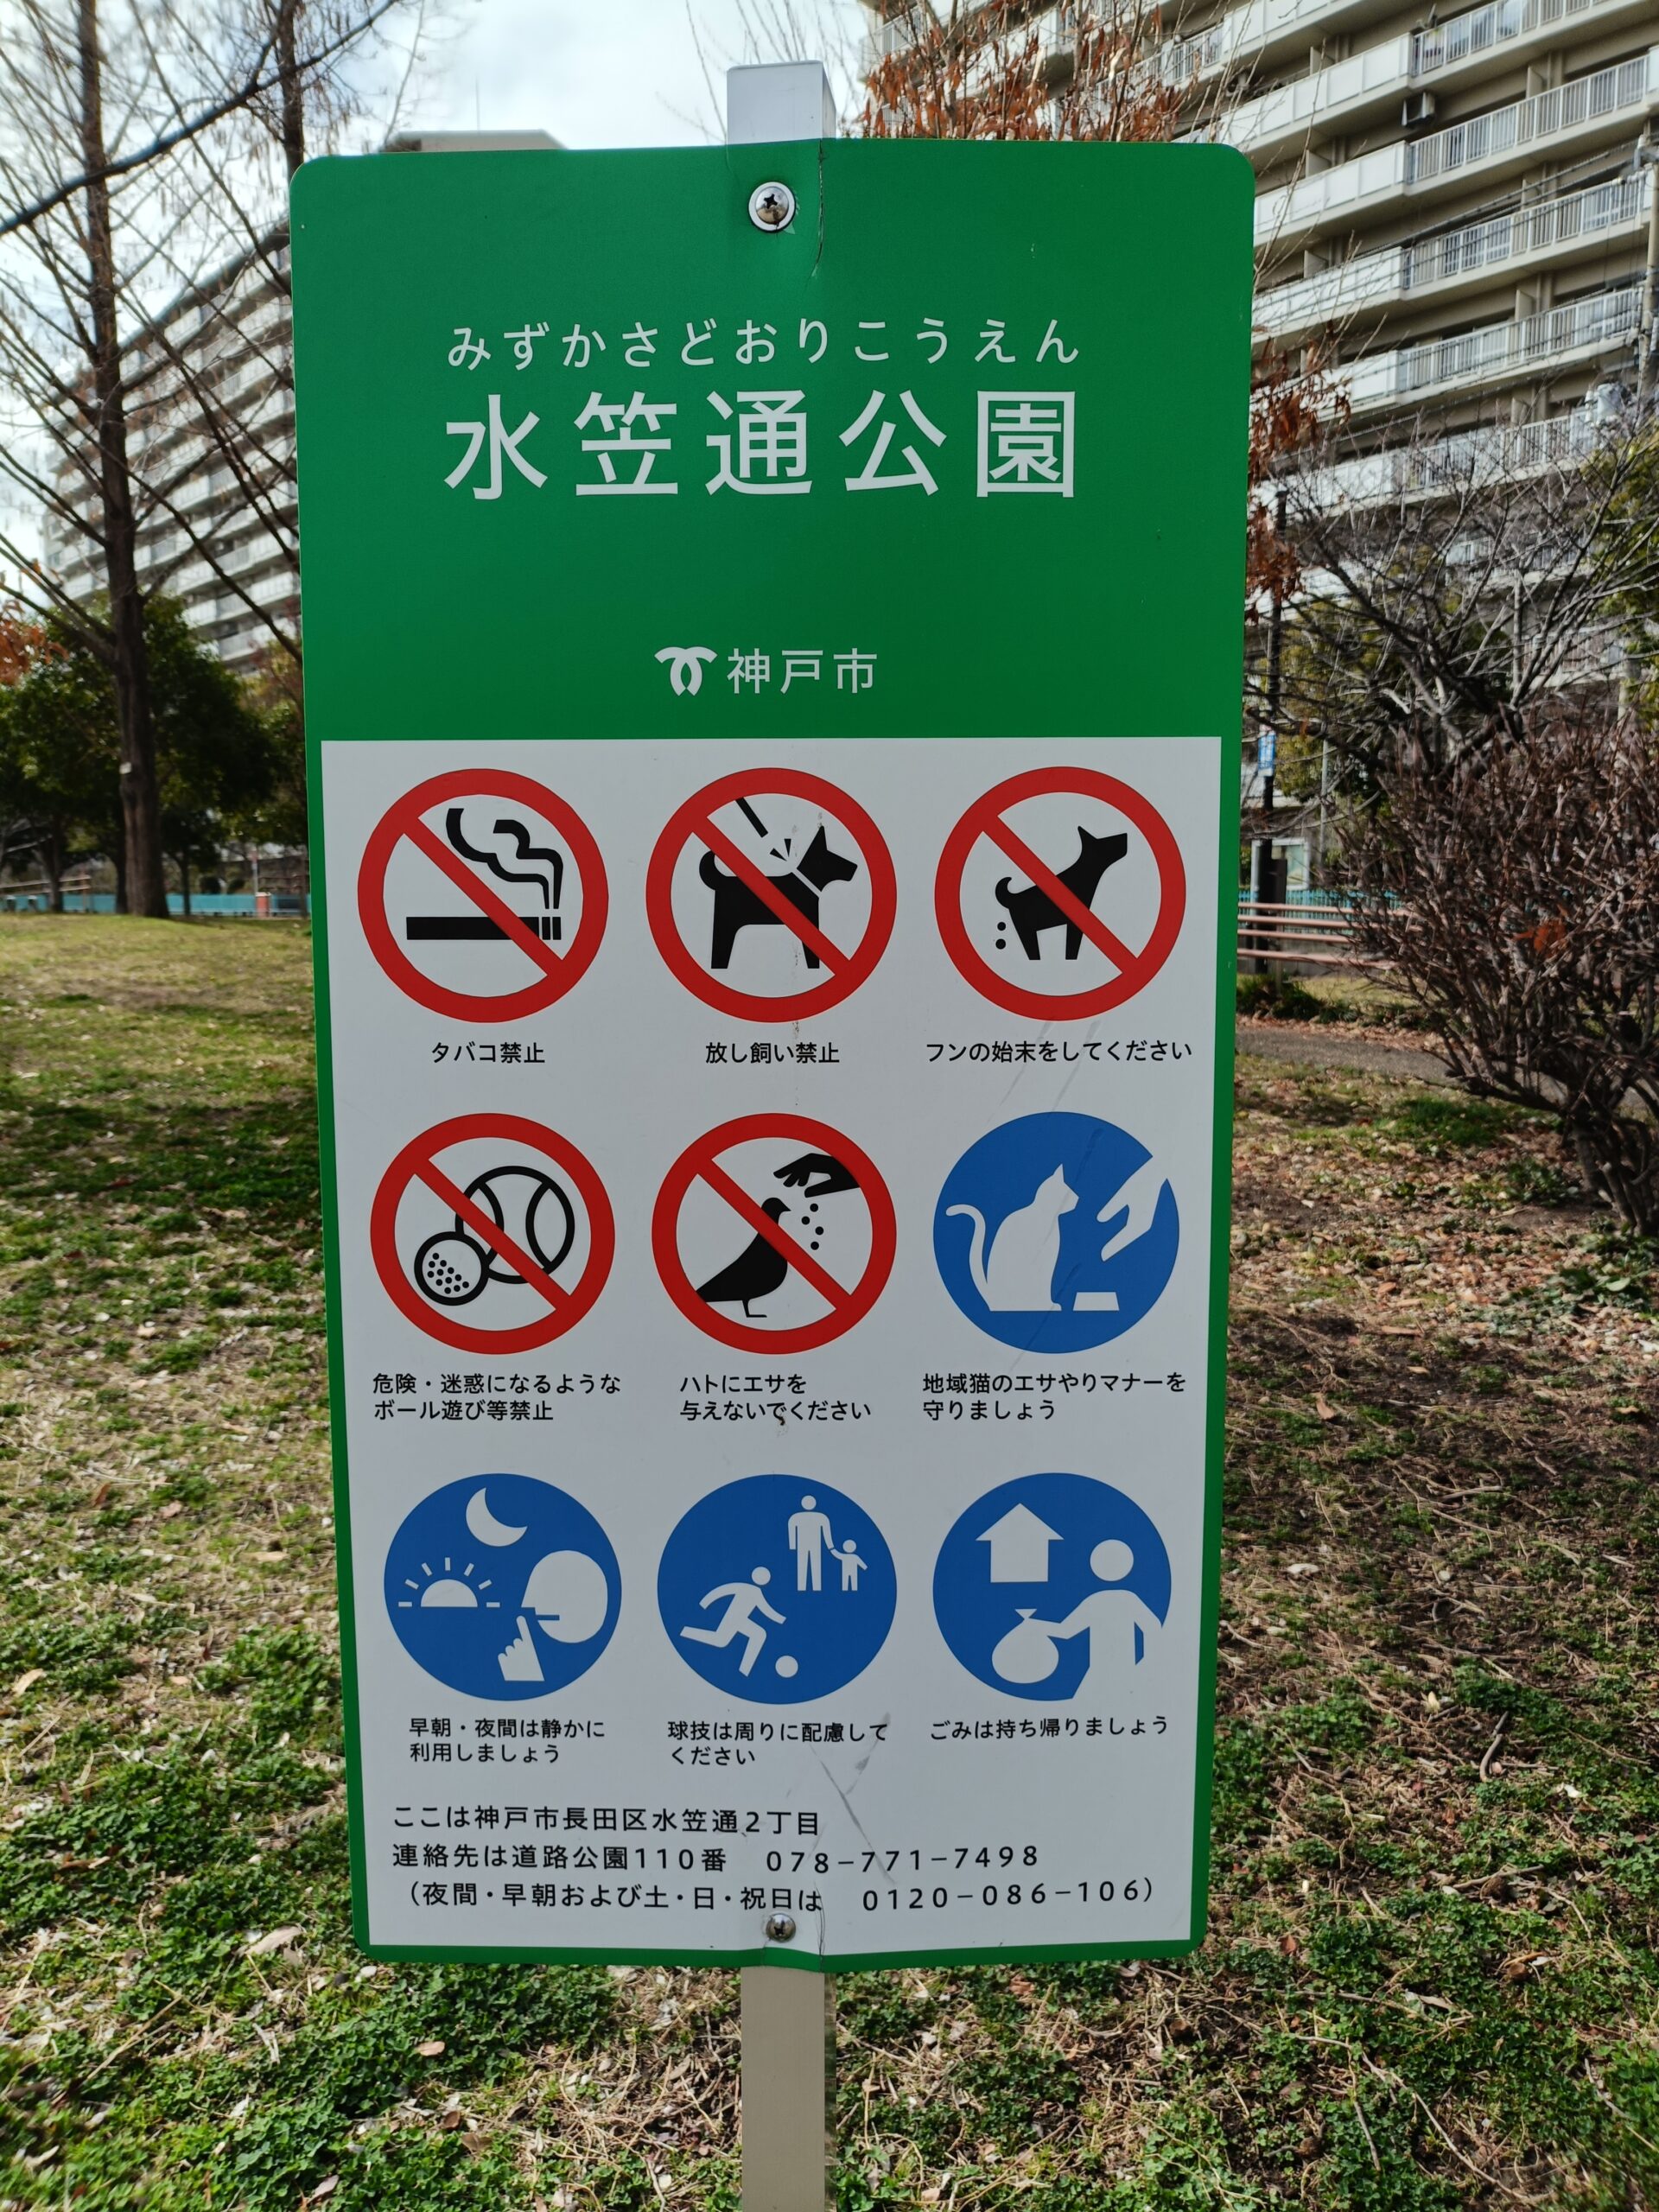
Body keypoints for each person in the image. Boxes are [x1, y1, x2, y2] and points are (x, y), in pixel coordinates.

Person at [1025, 1541, 1160, 1686]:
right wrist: (1144, 1665)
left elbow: (1066, 1631)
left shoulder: (1099, 1601)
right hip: (1111, 1672)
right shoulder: (1126, 1599)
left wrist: (1035, 1625)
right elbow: (1154, 1627)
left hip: (1104, 1674)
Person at [680, 1567, 785, 1677]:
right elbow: (721, 1591)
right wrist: (705, 1602)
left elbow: (766, 1609)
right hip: (733, 1619)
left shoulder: (757, 1592)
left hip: (742, 1621)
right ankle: (686, 1632)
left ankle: (745, 1669)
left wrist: (781, 1619)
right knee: (720, 1640)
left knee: (759, 1634)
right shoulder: (744, 1587)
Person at [787, 1494, 836, 1591]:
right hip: (809, 1545)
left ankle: (807, 1588)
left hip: (809, 1545)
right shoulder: (820, 1517)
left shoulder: (796, 1517)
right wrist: (831, 1547)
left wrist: (793, 1546)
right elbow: (827, 1534)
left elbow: (826, 1533)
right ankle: (811, 1588)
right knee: (810, 1565)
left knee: (809, 1564)